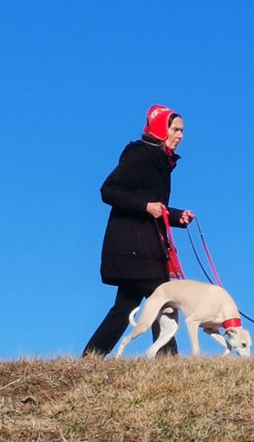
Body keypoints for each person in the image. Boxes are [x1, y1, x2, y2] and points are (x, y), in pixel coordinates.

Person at [82, 105, 195, 357]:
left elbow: (154, 205)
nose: (180, 135)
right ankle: (167, 360)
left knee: (125, 306)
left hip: (140, 248)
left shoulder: (159, 159)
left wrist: (178, 216)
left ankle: (91, 356)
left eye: (182, 130)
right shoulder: (140, 155)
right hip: (136, 248)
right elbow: (108, 190)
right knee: (162, 300)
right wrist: (145, 206)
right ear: (161, 128)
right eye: (176, 129)